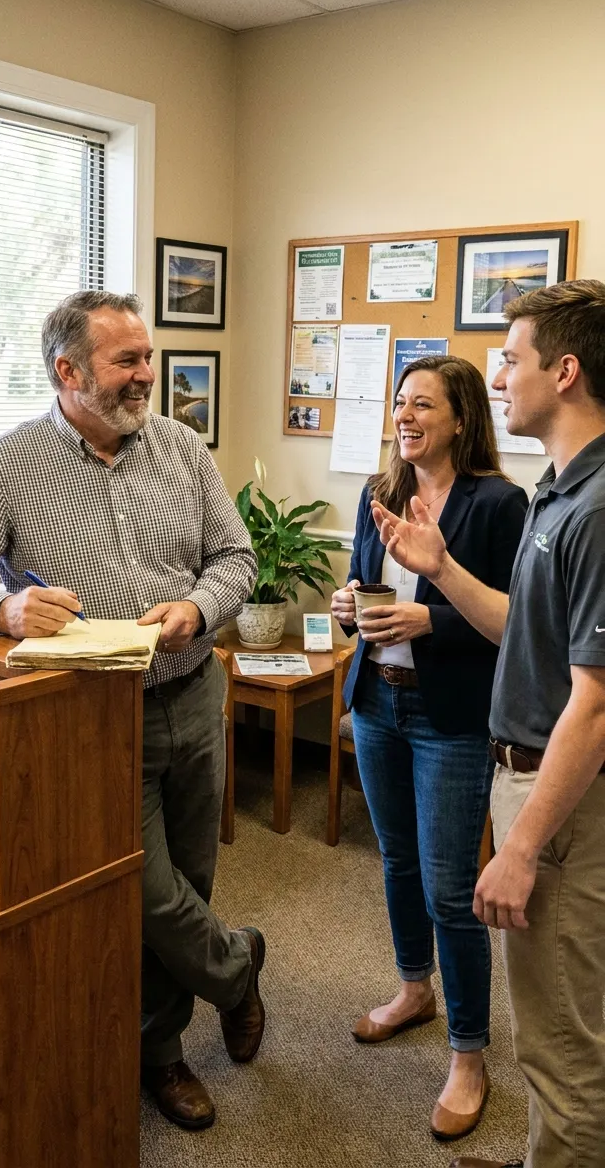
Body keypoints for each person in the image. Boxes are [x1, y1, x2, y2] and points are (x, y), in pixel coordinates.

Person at [0, 290, 266, 1133]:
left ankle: (158, 1049)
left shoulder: (181, 447)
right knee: (148, 893)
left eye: (148, 356)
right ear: (68, 372)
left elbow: (235, 557)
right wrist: (0, 611)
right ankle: (237, 970)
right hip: (95, 721)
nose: (147, 375)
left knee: (193, 877)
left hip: (193, 688)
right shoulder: (7, 464)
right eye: (126, 362)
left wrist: (197, 609)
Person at [371, 282, 605, 1168]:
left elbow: (596, 700)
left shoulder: (594, 504)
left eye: (511, 358)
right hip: (527, 774)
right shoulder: (560, 489)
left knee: (562, 1042)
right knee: (551, 1023)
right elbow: (525, 634)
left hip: (558, 793)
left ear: (567, 372)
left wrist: (517, 846)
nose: (499, 376)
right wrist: (442, 571)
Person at [331, 355, 528, 1142]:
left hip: (450, 716)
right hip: (377, 701)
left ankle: (470, 1052)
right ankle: (415, 989)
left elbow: (513, 624)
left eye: (423, 405)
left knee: (452, 888)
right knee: (398, 862)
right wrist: (349, 605)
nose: (406, 416)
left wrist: (428, 621)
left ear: (459, 418)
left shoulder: (498, 504)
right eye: (399, 403)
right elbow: (357, 587)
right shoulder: (381, 493)